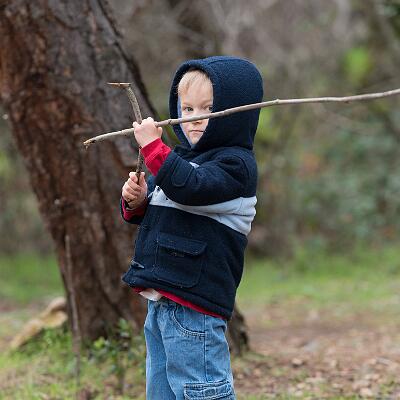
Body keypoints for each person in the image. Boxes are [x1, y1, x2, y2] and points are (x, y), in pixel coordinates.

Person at [120, 56, 263, 400]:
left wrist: (153, 148)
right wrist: (137, 201)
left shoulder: (236, 165)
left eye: (208, 109)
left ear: (236, 113)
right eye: (187, 109)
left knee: (200, 389)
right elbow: (163, 206)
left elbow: (191, 188)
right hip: (163, 299)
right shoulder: (183, 161)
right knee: (162, 390)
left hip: (195, 303)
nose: (194, 119)